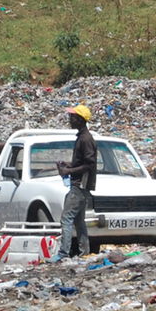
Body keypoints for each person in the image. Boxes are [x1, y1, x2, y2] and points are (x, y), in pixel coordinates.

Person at [50, 104, 96, 263]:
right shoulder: (83, 137)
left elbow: (89, 164)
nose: (70, 119)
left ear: (80, 120)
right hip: (81, 185)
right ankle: (85, 253)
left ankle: (63, 254)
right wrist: (69, 165)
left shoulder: (85, 139)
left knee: (66, 218)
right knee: (78, 220)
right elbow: (83, 162)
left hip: (80, 185)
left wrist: (69, 171)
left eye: (73, 117)